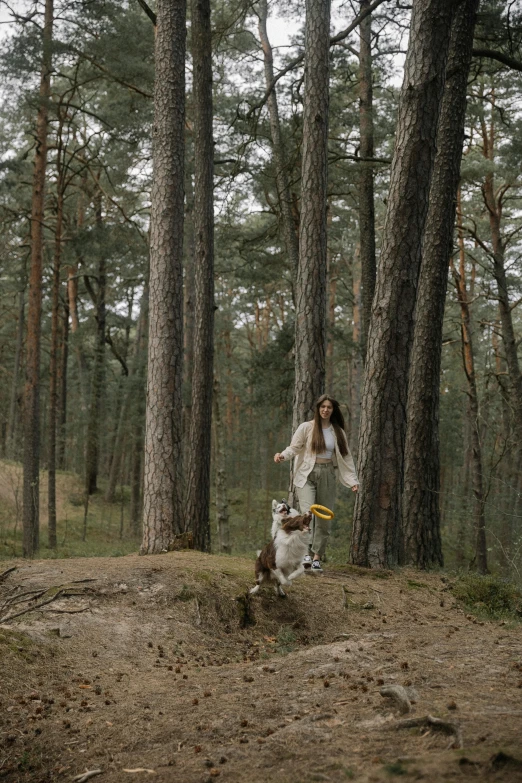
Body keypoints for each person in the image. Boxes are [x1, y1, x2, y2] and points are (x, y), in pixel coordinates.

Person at [274, 394, 359, 571]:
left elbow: (346, 458)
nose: (325, 410)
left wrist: (352, 481)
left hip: (327, 474)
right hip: (306, 474)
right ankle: (305, 554)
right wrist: (283, 455)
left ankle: (317, 557)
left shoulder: (337, 432)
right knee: (307, 514)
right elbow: (294, 447)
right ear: (318, 409)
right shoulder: (307, 427)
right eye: (322, 407)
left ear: (333, 410)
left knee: (323, 520)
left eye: (329, 407)